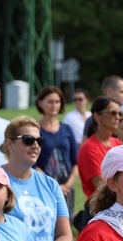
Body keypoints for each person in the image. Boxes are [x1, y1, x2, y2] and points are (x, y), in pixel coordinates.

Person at [35, 86, 79, 216]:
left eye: (57, 102)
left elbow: (75, 161)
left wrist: (68, 185)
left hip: (66, 188)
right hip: (43, 186)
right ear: (40, 103)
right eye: (50, 101)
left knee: (66, 222)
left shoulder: (66, 129)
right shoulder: (34, 130)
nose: (54, 105)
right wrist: (52, 186)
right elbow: (32, 163)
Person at [78, 97, 123, 205]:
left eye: (119, 113)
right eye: (113, 113)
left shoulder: (118, 143)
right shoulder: (88, 148)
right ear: (97, 117)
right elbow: (102, 185)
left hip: (121, 202)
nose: (117, 117)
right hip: (100, 206)